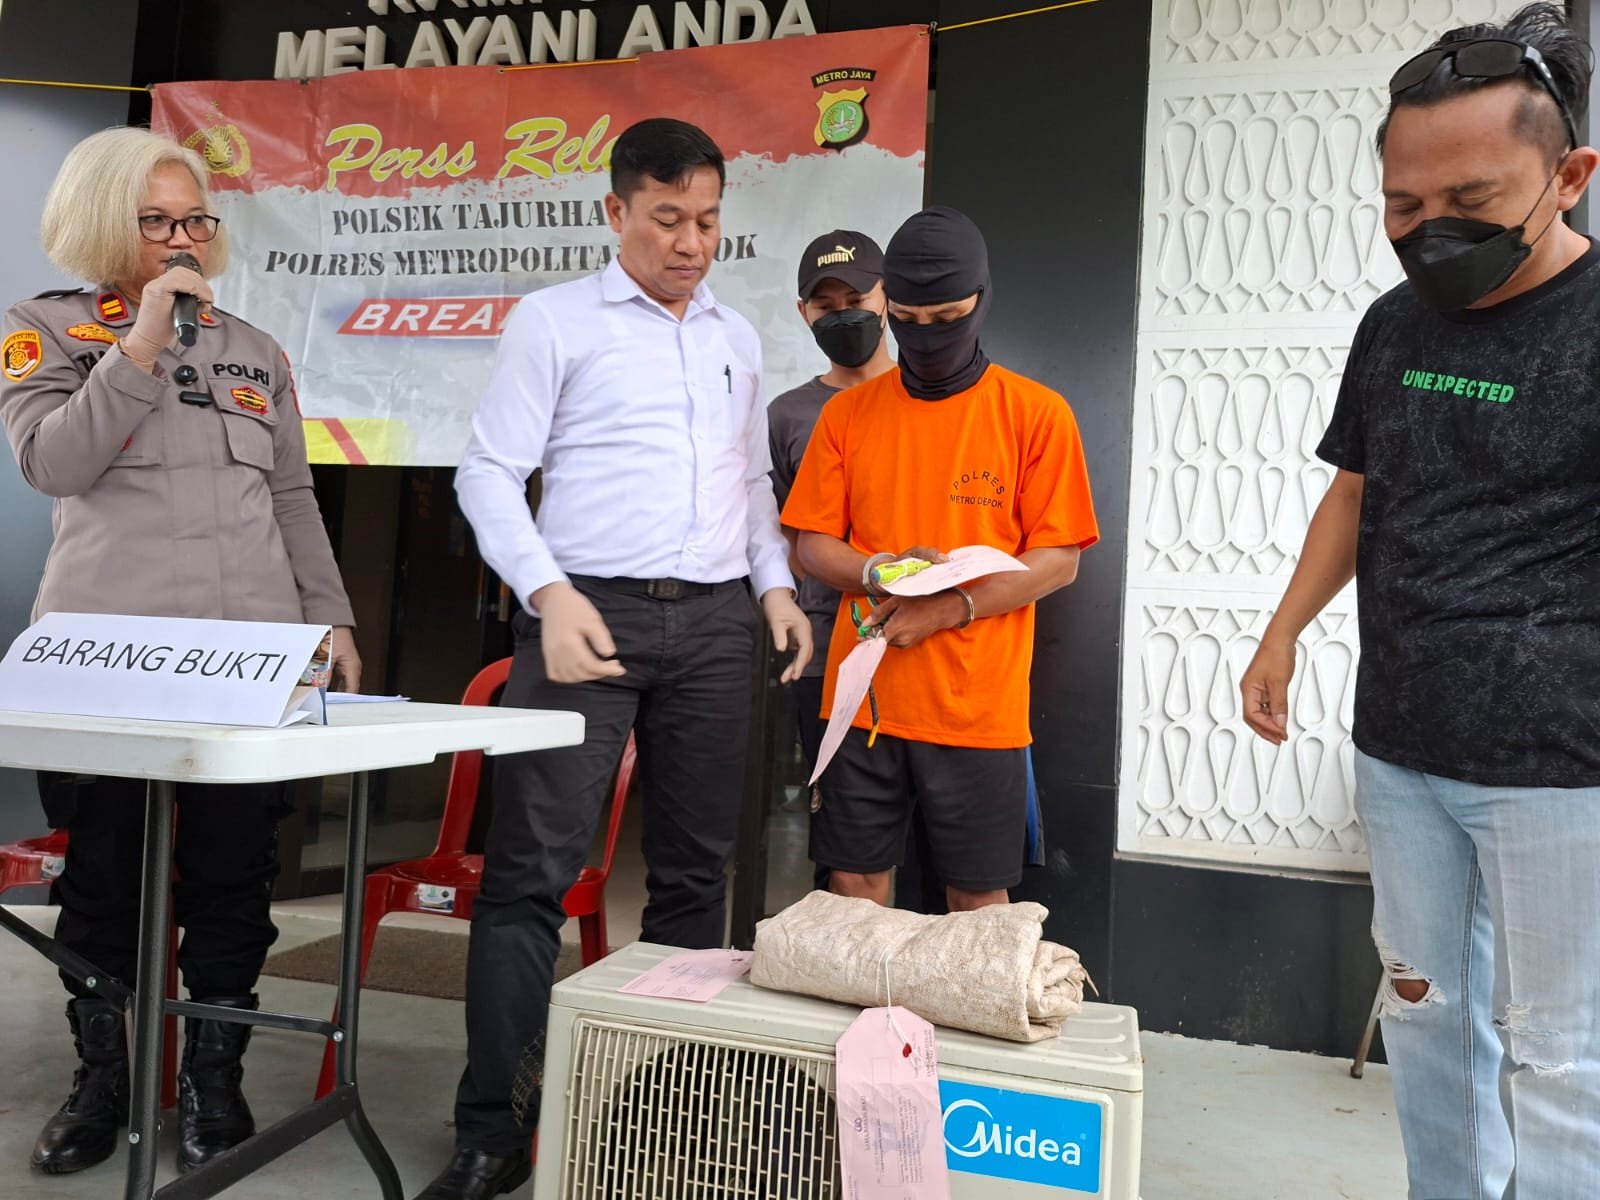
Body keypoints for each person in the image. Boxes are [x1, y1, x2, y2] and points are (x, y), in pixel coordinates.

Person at [1238, 6, 1600, 1196]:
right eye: (1403, 205)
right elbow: (1355, 490)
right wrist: (1282, 631)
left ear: (1569, 176)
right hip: (1399, 749)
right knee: (1428, 1021)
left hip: (1563, 772)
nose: (1431, 230)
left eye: (1471, 201)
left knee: (1560, 1058)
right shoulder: (1393, 326)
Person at [424, 117, 811, 1200]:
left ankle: (656, 1115)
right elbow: (488, 472)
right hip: (584, 613)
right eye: (667, 219)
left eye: (708, 221)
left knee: (693, 876)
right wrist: (546, 594)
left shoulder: (736, 336)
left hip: (717, 626)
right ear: (616, 211)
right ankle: (492, 1130)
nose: (691, 243)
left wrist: (775, 587)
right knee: (528, 878)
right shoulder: (555, 321)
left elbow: (748, 485)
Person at [0, 127, 360, 1177]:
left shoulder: (255, 348)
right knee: (104, 880)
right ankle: (102, 1081)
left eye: (194, 219)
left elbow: (291, 495)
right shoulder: (40, 329)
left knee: (232, 878)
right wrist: (143, 344)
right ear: (102, 224)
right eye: (155, 220)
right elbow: (53, 463)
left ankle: (214, 1077)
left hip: (246, 663)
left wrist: (330, 616)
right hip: (102, 663)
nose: (181, 238)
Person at [782, 206, 1098, 914]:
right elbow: (812, 544)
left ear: (981, 300)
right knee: (852, 889)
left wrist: (952, 606)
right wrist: (878, 571)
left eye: (947, 318)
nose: (926, 335)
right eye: (908, 320)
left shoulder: (1035, 414)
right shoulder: (847, 415)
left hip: (977, 704)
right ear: (888, 307)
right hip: (862, 699)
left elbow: (1059, 559)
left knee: (977, 901)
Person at [768, 229, 894, 780]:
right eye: (826, 306)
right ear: (804, 313)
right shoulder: (787, 415)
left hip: (925, 641)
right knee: (841, 814)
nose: (844, 316)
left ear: (888, 297)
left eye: (857, 299)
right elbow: (777, 534)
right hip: (828, 648)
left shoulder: (931, 399)